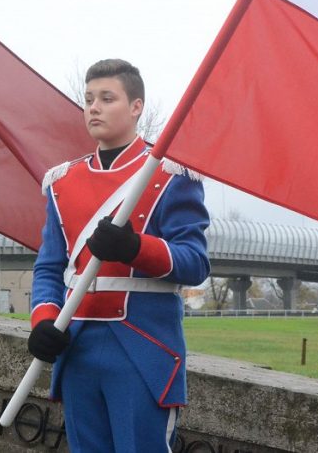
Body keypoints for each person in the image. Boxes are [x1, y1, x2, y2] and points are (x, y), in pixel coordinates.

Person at [28, 59, 210, 452]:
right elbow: (49, 268)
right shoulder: (63, 182)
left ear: (136, 107)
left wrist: (135, 248)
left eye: (107, 98)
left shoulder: (171, 176)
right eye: (89, 98)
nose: (93, 107)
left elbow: (195, 262)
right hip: (76, 349)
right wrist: (43, 321)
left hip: (142, 348)